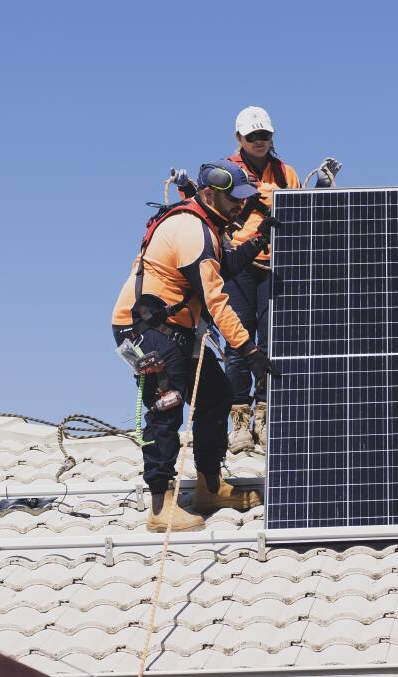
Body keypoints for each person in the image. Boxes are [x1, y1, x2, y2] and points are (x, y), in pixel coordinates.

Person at [111, 160, 278, 532]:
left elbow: (225, 264)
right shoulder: (191, 229)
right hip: (145, 330)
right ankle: (160, 505)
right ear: (208, 195)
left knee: (215, 395)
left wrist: (259, 240)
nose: (240, 206)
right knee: (166, 408)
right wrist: (249, 350)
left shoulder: (209, 228)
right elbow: (215, 298)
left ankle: (210, 487)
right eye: (234, 199)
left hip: (175, 328)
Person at [223, 106, 340, 453]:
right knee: (237, 344)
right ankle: (239, 421)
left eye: (265, 135)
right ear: (239, 138)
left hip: (275, 265)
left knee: (273, 342)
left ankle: (265, 415)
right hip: (238, 265)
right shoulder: (227, 172)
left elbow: (300, 214)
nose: (259, 141)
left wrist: (319, 188)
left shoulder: (284, 172)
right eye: (252, 136)